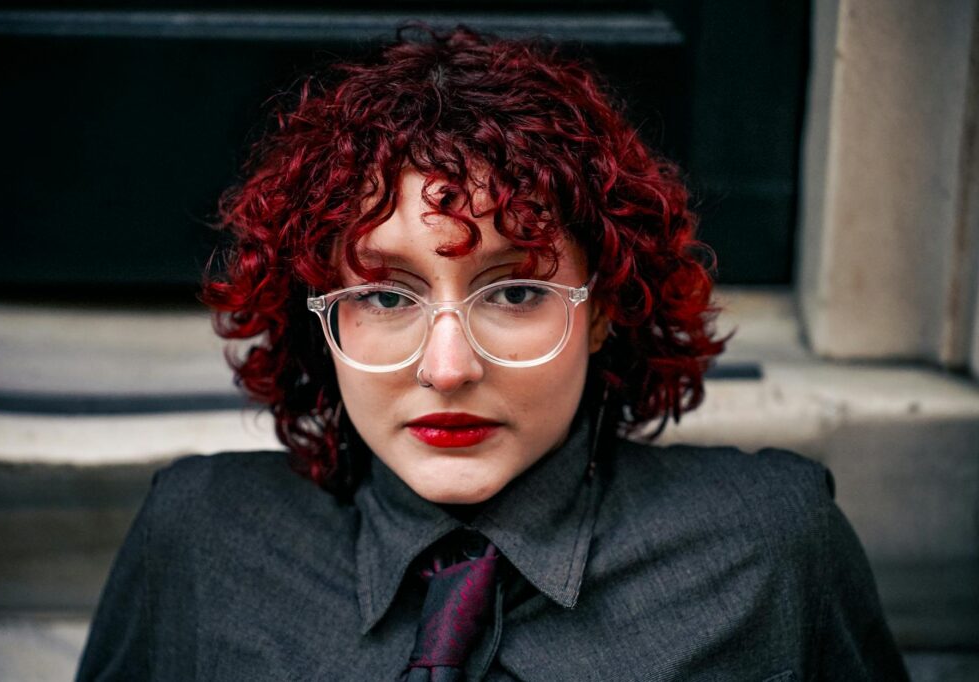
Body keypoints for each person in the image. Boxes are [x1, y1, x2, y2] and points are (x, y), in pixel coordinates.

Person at [77, 27, 909, 681]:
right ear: (319, 319)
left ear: (605, 310)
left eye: (514, 293)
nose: (447, 367)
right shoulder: (202, 537)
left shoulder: (769, 544)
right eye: (383, 294)